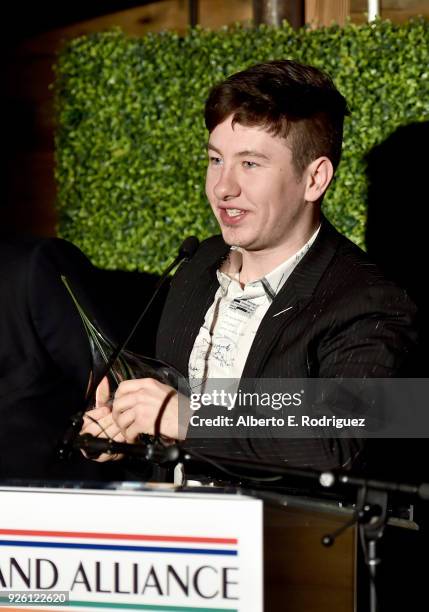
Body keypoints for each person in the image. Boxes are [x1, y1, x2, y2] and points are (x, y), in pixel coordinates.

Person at [81, 60, 417, 473]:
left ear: (315, 179)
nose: (223, 187)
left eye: (251, 164)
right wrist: (127, 427)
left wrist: (187, 418)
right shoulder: (197, 264)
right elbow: (173, 413)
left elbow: (341, 440)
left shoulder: (369, 300)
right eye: (216, 159)